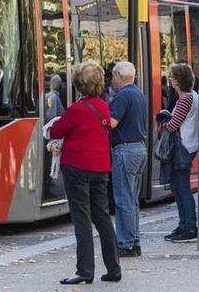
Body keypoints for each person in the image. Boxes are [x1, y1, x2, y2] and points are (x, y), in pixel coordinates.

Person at [47, 61, 121, 285]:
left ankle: (84, 270)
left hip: (77, 168)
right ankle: (114, 267)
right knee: (102, 217)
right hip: (100, 168)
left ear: (79, 85)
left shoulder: (76, 109)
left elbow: (57, 130)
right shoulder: (104, 106)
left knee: (82, 218)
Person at [107, 62, 148, 258]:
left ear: (117, 75)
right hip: (139, 148)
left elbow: (112, 123)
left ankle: (126, 244)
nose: (111, 79)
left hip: (125, 150)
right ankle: (135, 242)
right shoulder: (139, 94)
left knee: (123, 199)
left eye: (112, 75)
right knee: (132, 199)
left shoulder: (122, 96)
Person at [161, 63, 199, 242]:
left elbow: (174, 124)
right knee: (178, 186)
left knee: (181, 187)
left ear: (178, 80)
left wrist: (164, 123)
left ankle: (189, 226)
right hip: (188, 146)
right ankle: (184, 224)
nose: (169, 80)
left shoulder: (185, 99)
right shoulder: (193, 96)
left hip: (182, 147)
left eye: (172, 77)